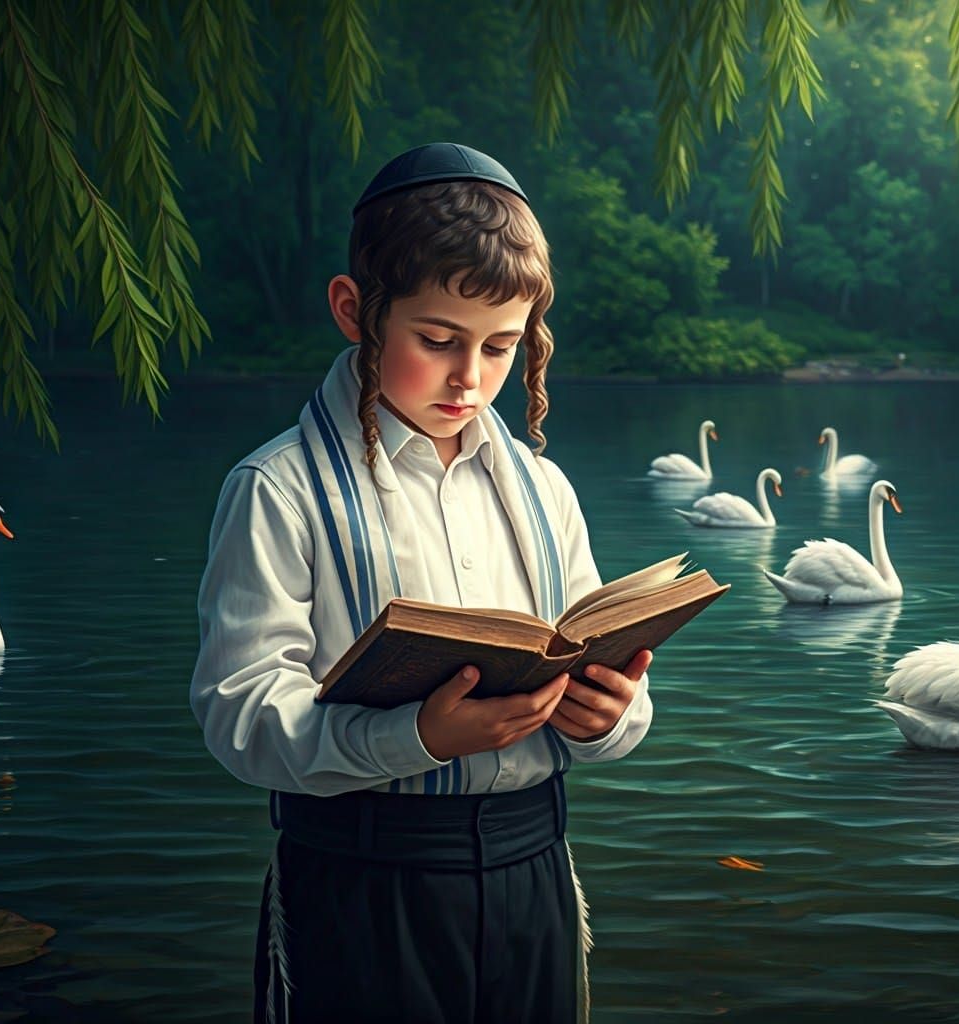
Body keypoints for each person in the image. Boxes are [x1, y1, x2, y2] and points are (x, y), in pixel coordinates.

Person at [190, 142, 654, 1024]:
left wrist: (611, 716)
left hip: (534, 869)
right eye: (437, 340)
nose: (469, 379)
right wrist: (418, 736)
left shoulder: (544, 488)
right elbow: (238, 713)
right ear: (354, 310)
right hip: (361, 879)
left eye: (501, 347)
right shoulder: (278, 489)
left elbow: (597, 657)